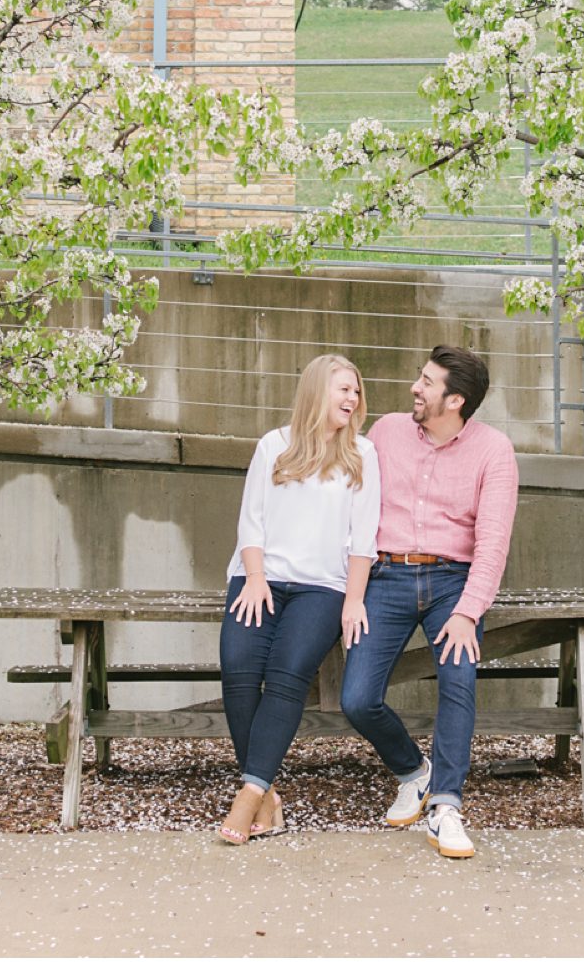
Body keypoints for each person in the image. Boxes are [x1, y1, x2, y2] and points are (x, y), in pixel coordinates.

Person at [340, 344, 517, 859]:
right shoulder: (387, 432)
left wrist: (467, 612)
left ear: (455, 400)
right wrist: (353, 591)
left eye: (427, 383)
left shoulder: (494, 450)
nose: (414, 388)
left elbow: (493, 541)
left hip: (453, 582)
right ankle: (414, 772)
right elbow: (351, 503)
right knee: (357, 699)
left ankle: (445, 807)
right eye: (420, 377)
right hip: (387, 576)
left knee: (458, 680)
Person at [216, 353, 380, 844]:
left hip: (323, 588)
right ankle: (268, 795)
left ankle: (249, 794)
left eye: (356, 390)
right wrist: (255, 578)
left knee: (287, 675)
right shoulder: (274, 445)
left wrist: (354, 600)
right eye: (343, 389)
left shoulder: (363, 454)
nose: (352, 398)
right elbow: (251, 521)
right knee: (239, 670)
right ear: (316, 391)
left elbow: (363, 539)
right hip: (259, 577)